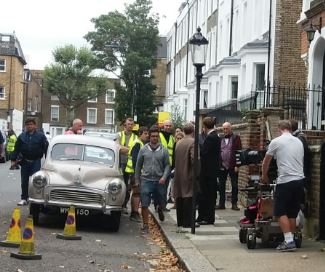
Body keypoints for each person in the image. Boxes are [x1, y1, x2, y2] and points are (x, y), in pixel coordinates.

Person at [262, 120, 304, 252]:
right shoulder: (299, 142)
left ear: (279, 128)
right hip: (299, 180)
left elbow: (266, 161)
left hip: (285, 180)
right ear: (290, 129)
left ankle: (289, 241)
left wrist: (264, 175)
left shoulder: (276, 141)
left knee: (280, 211)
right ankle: (290, 240)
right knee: (292, 213)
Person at [135, 126, 170, 233]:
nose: (155, 138)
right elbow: (138, 165)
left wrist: (164, 177)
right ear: (149, 137)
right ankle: (145, 224)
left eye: (156, 136)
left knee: (161, 201)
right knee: (145, 203)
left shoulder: (164, 150)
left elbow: (167, 165)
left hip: (159, 180)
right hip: (146, 180)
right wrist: (137, 180)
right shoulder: (143, 149)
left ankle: (160, 208)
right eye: (153, 136)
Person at [11, 118, 49, 206]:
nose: (29, 126)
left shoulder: (41, 136)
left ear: (35, 125)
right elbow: (16, 149)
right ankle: (24, 198)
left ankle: (34, 198)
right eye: (27, 125)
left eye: (31, 124)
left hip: (36, 161)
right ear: (25, 126)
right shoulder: (21, 136)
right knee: (24, 181)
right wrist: (13, 160)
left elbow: (46, 149)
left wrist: (47, 162)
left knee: (34, 180)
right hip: (25, 161)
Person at [173, 123, 198, 230]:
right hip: (188, 173)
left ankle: (180, 221)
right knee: (188, 195)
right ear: (193, 131)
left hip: (178, 173)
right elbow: (194, 159)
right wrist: (197, 172)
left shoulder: (178, 143)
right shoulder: (193, 142)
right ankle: (188, 222)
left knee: (179, 196)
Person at [196, 117, 221, 225]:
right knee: (207, 195)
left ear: (204, 127)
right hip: (211, 171)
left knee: (207, 195)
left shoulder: (211, 137)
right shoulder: (215, 136)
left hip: (208, 172)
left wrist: (198, 145)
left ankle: (208, 217)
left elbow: (204, 152)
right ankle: (203, 216)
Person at [125, 126, 149, 222]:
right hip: (135, 173)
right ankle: (134, 213)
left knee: (136, 193)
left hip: (135, 173)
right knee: (136, 193)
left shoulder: (140, 143)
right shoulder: (138, 144)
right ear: (140, 134)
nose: (147, 136)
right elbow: (135, 160)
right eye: (145, 134)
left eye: (147, 133)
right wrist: (137, 175)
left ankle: (134, 213)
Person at [217, 122, 242, 211]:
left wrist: (237, 165)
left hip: (233, 165)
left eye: (227, 128)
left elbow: (239, 152)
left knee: (234, 185)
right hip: (222, 165)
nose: (225, 130)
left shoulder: (236, 138)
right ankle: (221, 203)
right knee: (221, 185)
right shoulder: (220, 138)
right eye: (224, 129)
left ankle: (234, 204)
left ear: (231, 128)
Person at [116, 117, 138, 214]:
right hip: (120, 163)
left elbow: (134, 150)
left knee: (128, 186)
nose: (130, 126)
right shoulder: (119, 135)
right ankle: (118, 204)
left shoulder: (135, 137)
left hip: (130, 165)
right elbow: (117, 148)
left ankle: (124, 205)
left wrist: (123, 148)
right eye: (128, 124)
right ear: (125, 125)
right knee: (120, 184)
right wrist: (128, 149)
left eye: (131, 124)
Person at [291, 119, 310, 217]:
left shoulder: (299, 138)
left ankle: (301, 212)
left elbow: (302, 156)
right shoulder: (298, 137)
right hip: (299, 171)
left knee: (299, 195)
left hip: (300, 172)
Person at [158, 119, 175, 211]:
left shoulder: (172, 138)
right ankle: (159, 205)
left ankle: (163, 206)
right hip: (160, 165)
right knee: (160, 187)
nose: (168, 127)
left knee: (166, 187)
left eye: (169, 126)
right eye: (166, 126)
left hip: (169, 166)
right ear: (163, 126)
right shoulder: (159, 136)